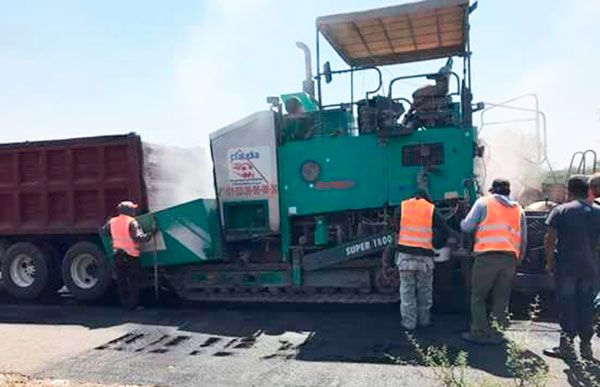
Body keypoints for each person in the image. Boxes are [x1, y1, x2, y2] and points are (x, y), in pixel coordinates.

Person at [460, 178, 527, 344]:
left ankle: (479, 332)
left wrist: (461, 221)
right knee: (501, 297)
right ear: (508, 192)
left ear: (492, 190)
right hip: (510, 259)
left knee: (478, 296)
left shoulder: (483, 203)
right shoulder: (519, 209)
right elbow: (524, 240)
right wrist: (519, 259)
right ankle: (497, 333)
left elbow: (467, 227)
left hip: (487, 257)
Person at [543, 176, 600, 360]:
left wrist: (550, 262)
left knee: (567, 306)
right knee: (586, 306)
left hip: (567, 268)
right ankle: (586, 347)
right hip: (591, 269)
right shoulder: (598, 211)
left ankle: (566, 347)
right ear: (588, 190)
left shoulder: (561, 210)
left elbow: (549, 239)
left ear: (569, 191)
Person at [392, 189, 450, 331]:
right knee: (424, 291)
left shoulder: (402, 206)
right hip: (424, 258)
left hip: (405, 257)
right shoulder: (431, 209)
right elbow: (445, 230)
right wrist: (437, 243)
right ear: (426, 198)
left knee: (407, 292)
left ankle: (409, 324)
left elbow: (394, 228)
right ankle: (424, 321)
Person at [100, 201, 153, 309]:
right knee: (133, 281)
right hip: (130, 255)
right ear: (128, 210)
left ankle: (124, 304)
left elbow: (103, 232)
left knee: (121, 280)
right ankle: (132, 305)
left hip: (117, 255)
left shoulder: (112, 221)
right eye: (133, 209)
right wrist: (151, 234)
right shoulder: (132, 222)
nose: (134, 210)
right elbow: (138, 238)